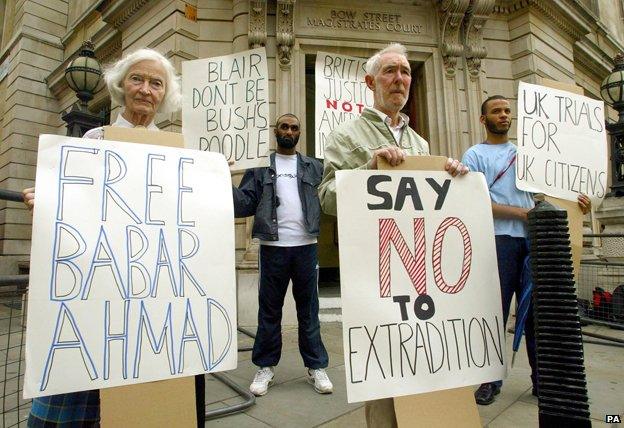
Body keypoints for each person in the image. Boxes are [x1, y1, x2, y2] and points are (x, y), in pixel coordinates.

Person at [22, 48, 207, 427]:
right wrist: (48, 200)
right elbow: (75, 203)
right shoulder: (94, 137)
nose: (145, 89)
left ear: (165, 94)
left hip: (147, 295)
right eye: (137, 79)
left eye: (156, 83)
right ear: (122, 85)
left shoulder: (178, 153)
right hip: (94, 288)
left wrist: (212, 184)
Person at [318, 43, 468, 428]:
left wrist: (449, 175)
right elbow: (326, 198)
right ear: (370, 82)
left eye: (405, 71)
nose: (399, 78)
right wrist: (370, 169)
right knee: (384, 370)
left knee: (421, 360)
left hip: (419, 273)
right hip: (375, 272)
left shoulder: (420, 143)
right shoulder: (344, 135)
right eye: (389, 71)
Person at [462, 95, 591, 406]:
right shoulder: (475, 155)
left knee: (536, 315)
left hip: (535, 242)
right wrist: (522, 214)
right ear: (483, 119)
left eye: (507, 111)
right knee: (496, 312)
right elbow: (474, 200)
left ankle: (541, 380)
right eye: (496, 111)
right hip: (498, 240)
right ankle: (489, 381)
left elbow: (550, 193)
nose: (504, 115)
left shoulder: (529, 154)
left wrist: (577, 203)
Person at [232, 113, 332, 397]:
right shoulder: (260, 167)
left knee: (309, 311)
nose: (289, 130)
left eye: (294, 127)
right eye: (284, 126)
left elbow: (333, 193)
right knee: (269, 311)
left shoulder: (315, 166)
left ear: (300, 133)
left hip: (306, 247)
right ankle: (265, 367)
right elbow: (245, 204)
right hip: (273, 249)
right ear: (275, 131)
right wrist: (217, 177)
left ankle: (316, 366)